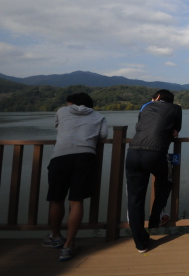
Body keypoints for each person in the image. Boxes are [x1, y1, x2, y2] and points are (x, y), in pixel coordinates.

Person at [43, 92, 108, 261]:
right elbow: (103, 136)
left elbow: (57, 126)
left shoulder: (62, 111)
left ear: (71, 103)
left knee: (56, 199)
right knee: (76, 201)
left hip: (60, 157)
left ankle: (55, 236)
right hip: (86, 157)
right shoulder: (99, 116)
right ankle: (69, 245)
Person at [125, 89, 182, 253]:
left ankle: (140, 243)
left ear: (156, 97)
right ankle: (156, 220)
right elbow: (175, 131)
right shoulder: (176, 108)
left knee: (135, 197)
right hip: (156, 154)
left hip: (133, 153)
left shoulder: (146, 106)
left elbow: (139, 126)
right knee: (167, 181)